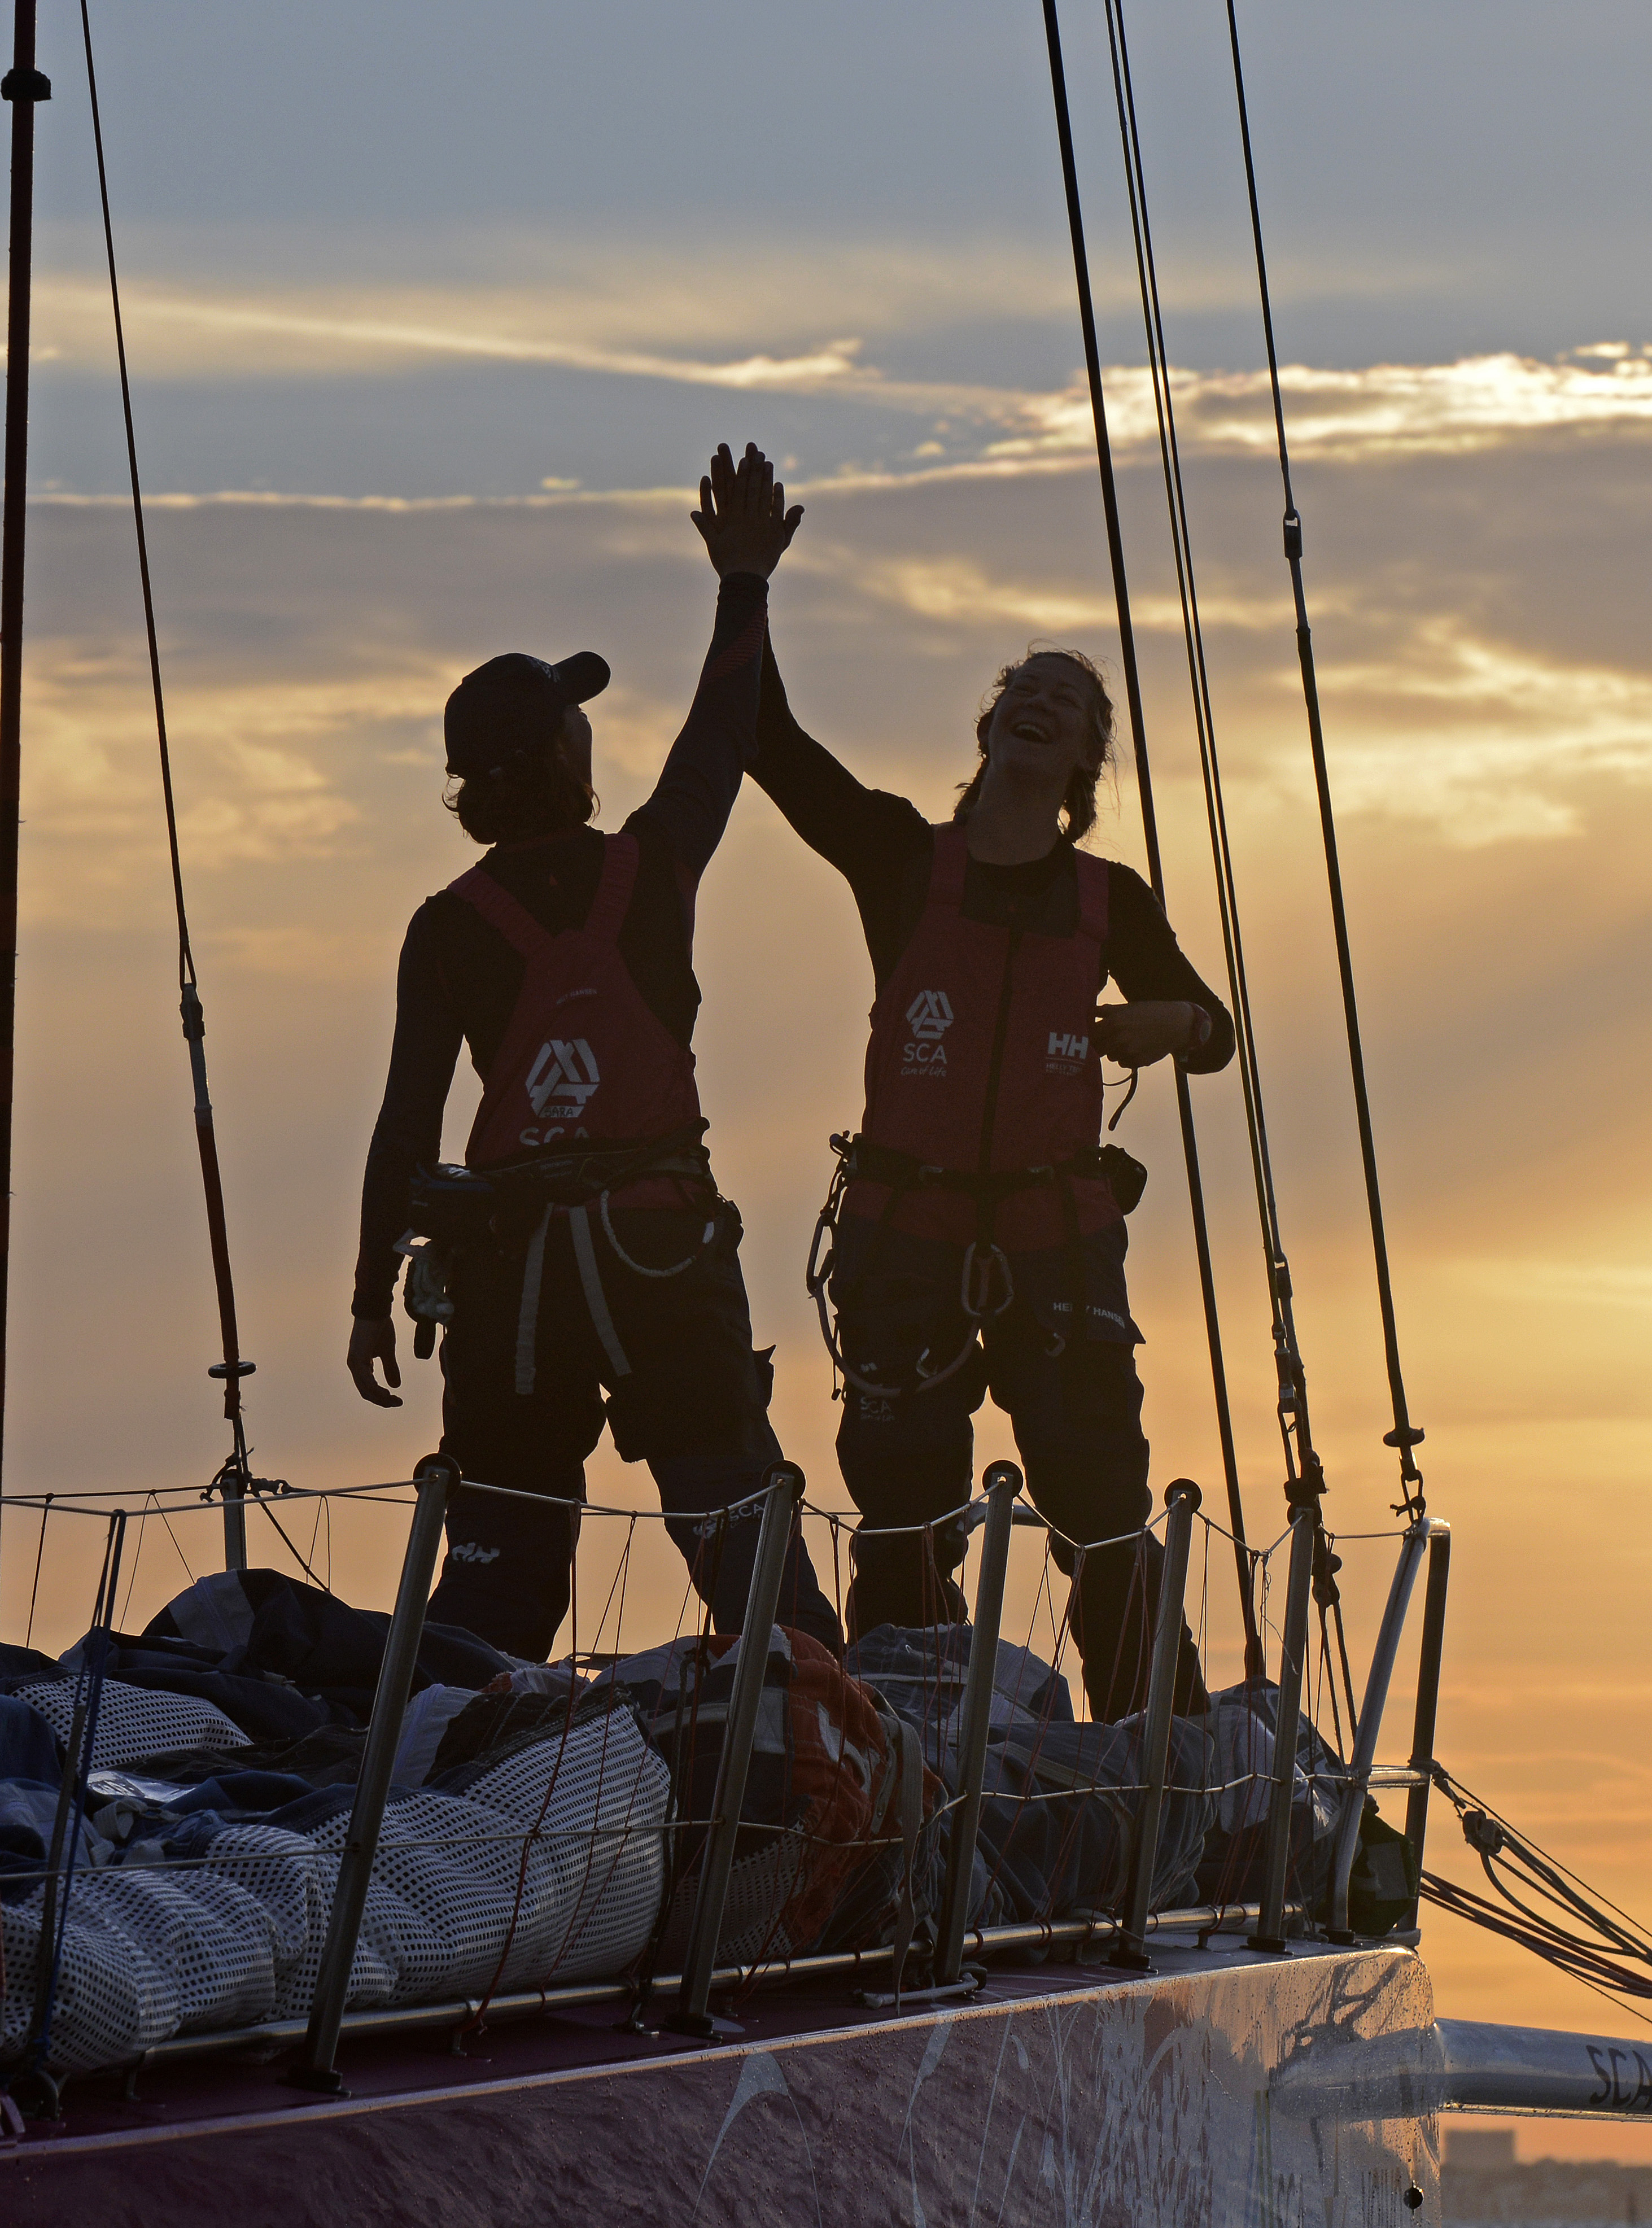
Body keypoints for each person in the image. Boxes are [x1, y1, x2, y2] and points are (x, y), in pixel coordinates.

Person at [345, 443, 838, 1663]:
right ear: (567, 754)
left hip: (511, 1279)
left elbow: (406, 1128)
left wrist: (368, 1290)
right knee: (745, 1547)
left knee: (502, 1583)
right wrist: (743, 579)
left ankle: (437, 1789)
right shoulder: (653, 867)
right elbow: (723, 728)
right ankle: (845, 1765)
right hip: (659, 1253)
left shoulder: (448, 925)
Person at [750, 637, 1229, 1720]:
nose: (1044, 703)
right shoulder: (901, 858)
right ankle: (894, 1761)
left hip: (1055, 1239)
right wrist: (746, 586)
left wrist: (1181, 1020)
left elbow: (1219, 1035)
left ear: (1084, 761)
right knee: (904, 1518)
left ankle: (1162, 1762)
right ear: (992, 721)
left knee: (1102, 1508)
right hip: (905, 1237)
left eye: (1069, 701)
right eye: (1028, 688)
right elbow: (773, 747)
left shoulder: (1114, 899)